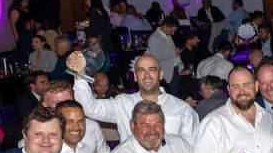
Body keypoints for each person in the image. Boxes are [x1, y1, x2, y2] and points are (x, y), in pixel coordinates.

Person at [69, 52, 199, 143]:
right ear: (135, 77)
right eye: (141, 70)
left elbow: (191, 146)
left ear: (161, 75)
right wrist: (80, 75)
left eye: (152, 70)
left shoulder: (182, 108)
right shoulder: (122, 103)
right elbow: (89, 108)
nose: (147, 75)